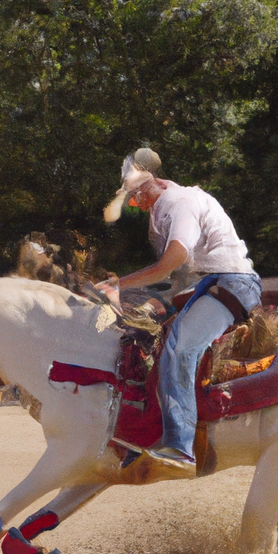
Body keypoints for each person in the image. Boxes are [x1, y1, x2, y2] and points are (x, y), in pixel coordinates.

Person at [102, 149, 262, 477]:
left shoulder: (180, 203)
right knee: (145, 341)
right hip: (208, 287)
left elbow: (173, 260)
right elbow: (175, 273)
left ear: (149, 187)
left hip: (230, 284)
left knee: (179, 346)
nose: (137, 204)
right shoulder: (163, 210)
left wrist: (120, 284)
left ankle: (180, 446)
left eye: (136, 197)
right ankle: (144, 436)